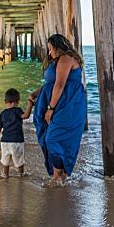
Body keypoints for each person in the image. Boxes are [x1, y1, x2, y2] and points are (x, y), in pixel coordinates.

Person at [31, 34, 87, 185]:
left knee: (53, 138)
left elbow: (60, 85)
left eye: (51, 49)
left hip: (68, 104)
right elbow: (50, 83)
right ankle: (59, 176)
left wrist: (51, 108)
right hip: (58, 101)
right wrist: (35, 94)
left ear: (58, 46)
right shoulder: (58, 60)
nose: (49, 53)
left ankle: (59, 175)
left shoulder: (66, 58)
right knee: (48, 135)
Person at [0, 88, 35, 178]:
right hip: (17, 140)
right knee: (19, 160)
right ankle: (21, 174)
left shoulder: (3, 113)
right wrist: (30, 106)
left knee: (5, 160)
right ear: (18, 101)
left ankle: (5, 174)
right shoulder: (17, 110)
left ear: (5, 101)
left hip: (5, 141)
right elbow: (26, 116)